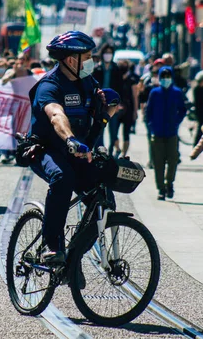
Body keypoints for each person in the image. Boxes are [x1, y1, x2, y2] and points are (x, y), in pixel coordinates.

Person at [28, 31, 118, 263]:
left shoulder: (88, 82)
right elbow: (56, 114)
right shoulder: (49, 85)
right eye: (87, 56)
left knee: (102, 195)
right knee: (62, 177)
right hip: (46, 149)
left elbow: (97, 112)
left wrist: (107, 109)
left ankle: (74, 256)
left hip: (78, 151)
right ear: (71, 60)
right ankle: (52, 246)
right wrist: (70, 138)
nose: (92, 61)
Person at [146, 66, 186, 200]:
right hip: (157, 133)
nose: (165, 79)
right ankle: (161, 188)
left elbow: (183, 110)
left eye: (168, 76)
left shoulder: (177, 92)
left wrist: (176, 122)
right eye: (163, 76)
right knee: (158, 162)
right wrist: (151, 126)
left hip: (172, 133)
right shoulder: (155, 93)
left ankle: (169, 183)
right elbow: (148, 111)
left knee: (173, 160)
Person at [92, 43, 123, 151]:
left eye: (110, 53)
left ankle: (110, 151)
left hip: (113, 102)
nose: (108, 55)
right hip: (100, 102)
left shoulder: (116, 68)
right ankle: (100, 151)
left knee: (114, 131)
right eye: (106, 53)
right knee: (100, 128)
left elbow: (120, 87)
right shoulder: (97, 68)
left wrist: (120, 103)